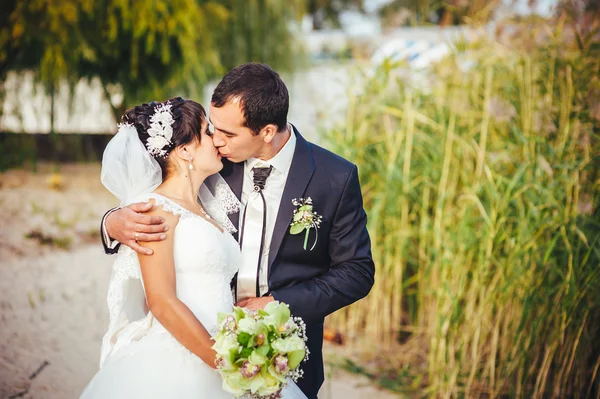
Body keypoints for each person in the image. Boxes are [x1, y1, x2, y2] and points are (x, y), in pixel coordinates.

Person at [102, 63, 375, 399]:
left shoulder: (334, 178)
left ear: (267, 131)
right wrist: (112, 222)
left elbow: (357, 272)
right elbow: (157, 191)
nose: (217, 140)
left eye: (228, 134)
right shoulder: (212, 162)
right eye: (213, 129)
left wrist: (277, 302)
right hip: (198, 343)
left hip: (284, 350)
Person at [82, 97, 306, 398]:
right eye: (207, 130)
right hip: (186, 352)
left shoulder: (209, 204)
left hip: (230, 341)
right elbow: (160, 300)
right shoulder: (153, 210)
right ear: (185, 149)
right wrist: (225, 361)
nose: (216, 139)